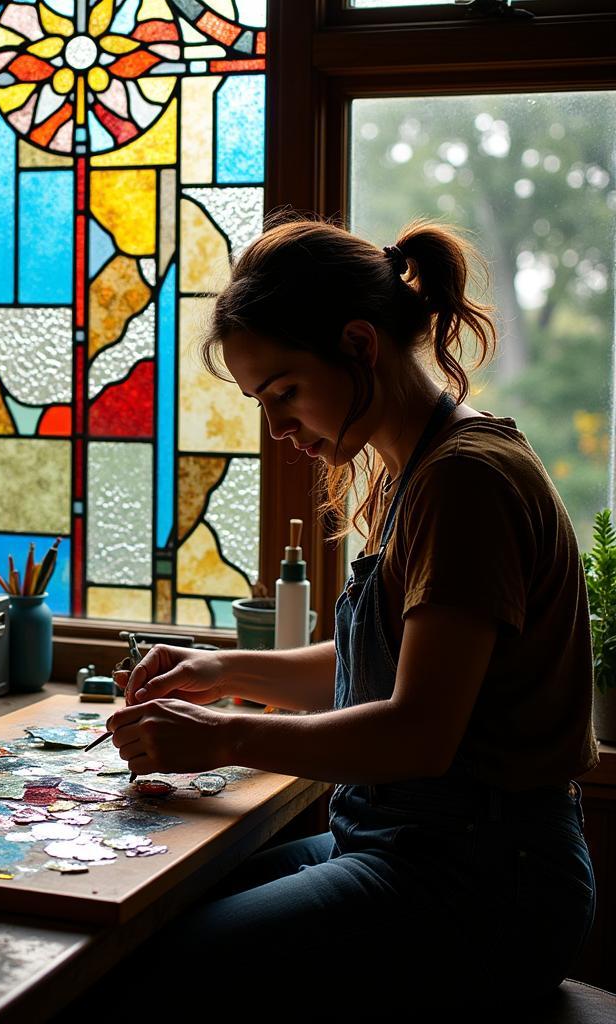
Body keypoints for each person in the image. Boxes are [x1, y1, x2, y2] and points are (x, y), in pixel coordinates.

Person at [104, 215, 598, 1017]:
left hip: (484, 883)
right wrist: (221, 670)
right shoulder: (420, 470)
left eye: (285, 392)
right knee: (153, 916)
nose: (277, 428)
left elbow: (417, 731)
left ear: (361, 345)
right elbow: (378, 668)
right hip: (400, 845)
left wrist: (223, 735)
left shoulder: (463, 481)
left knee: (169, 969)